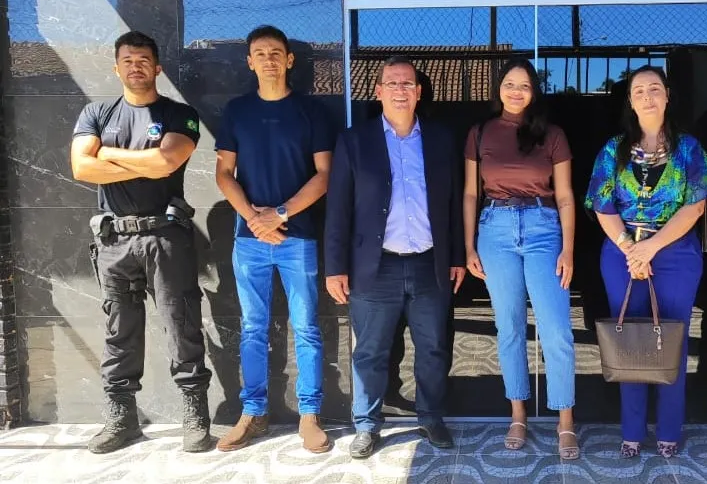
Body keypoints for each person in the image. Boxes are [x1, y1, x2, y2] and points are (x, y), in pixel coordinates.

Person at [70, 31, 212, 454]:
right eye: (128, 60)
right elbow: (81, 167)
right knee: (119, 331)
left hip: (165, 237)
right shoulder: (96, 112)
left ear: (158, 68)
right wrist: (142, 164)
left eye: (144, 59)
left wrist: (108, 156)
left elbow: (167, 160)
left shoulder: (178, 114)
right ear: (117, 68)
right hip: (114, 241)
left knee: (181, 325)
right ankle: (122, 419)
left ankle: (195, 415)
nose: (136, 66)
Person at [585, 65, 707, 459]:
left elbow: (696, 206)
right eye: (639, 91)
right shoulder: (613, 150)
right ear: (630, 102)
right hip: (621, 255)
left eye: (655, 89)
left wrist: (650, 248)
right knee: (629, 340)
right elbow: (602, 205)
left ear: (667, 96)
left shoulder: (688, 149)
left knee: (672, 339)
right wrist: (629, 247)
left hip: (676, 254)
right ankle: (631, 431)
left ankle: (669, 429)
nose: (648, 96)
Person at [325, 55, 466, 459]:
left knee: (434, 347)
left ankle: (431, 416)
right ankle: (367, 425)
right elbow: (338, 209)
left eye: (408, 84)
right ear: (379, 92)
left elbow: (454, 203)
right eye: (392, 83)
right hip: (375, 266)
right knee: (369, 350)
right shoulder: (355, 141)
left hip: (429, 263)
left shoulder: (440, 140)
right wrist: (335, 267)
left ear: (419, 92)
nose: (401, 91)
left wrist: (456, 255)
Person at [214, 25, 333, 453]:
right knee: (252, 328)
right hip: (249, 240)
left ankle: (309, 415)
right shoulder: (236, 111)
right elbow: (223, 174)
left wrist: (279, 214)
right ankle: (253, 413)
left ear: (289, 60)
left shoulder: (311, 112)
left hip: (297, 237)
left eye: (275, 52)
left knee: (306, 327)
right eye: (259, 53)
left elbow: (325, 175)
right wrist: (254, 218)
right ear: (249, 61)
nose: (268, 59)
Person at [463, 59, 579, 459]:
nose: (516, 91)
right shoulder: (479, 133)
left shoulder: (552, 135)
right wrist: (469, 246)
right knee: (509, 326)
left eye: (524, 86)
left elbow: (565, 196)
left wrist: (568, 248)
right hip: (494, 229)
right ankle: (518, 413)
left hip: (544, 227)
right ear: (499, 88)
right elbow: (470, 194)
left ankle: (565, 420)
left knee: (556, 329)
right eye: (509, 84)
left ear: (534, 91)